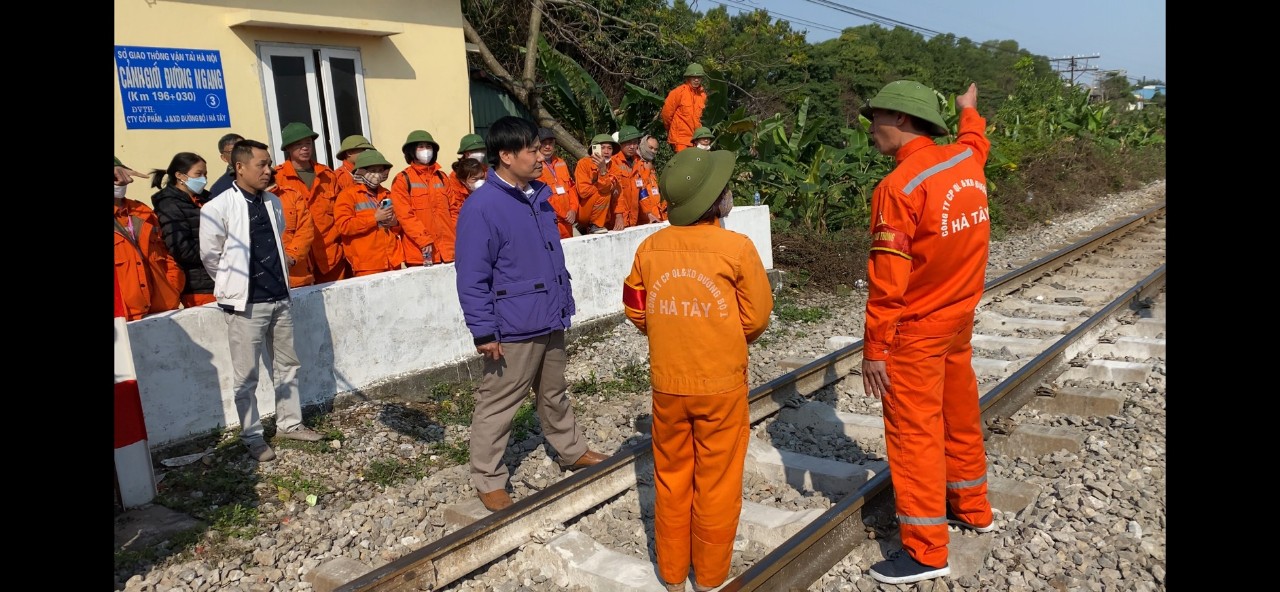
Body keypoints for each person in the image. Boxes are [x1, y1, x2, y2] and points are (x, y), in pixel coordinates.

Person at [858, 81, 994, 585]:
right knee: (958, 412)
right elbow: (976, 139)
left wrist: (875, 349)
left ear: (905, 122)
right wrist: (969, 110)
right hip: (959, 318)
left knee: (914, 435)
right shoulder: (964, 161)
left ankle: (925, 550)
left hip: (917, 330)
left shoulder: (899, 189)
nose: (872, 128)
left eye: (878, 119)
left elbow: (887, 281)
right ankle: (973, 507)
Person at [622, 148, 773, 592]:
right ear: (717, 200)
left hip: (667, 387)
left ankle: (670, 574)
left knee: (671, 478)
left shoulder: (649, 248)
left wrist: (669, 328)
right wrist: (723, 333)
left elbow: (635, 307)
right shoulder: (736, 249)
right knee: (717, 481)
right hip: (720, 385)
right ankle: (708, 578)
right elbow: (757, 317)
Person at [454, 116, 609, 512]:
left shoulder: (537, 195)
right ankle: (488, 478)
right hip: (513, 322)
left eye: (540, 148)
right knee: (500, 402)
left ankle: (571, 450)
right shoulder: (483, 206)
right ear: (505, 156)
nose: (541, 156)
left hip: (549, 312)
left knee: (554, 391)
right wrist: (484, 331)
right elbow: (472, 275)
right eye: (531, 150)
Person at [199, 139, 325, 463]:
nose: (268, 170)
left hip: (279, 297)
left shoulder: (273, 203)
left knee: (288, 364)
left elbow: (280, 239)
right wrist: (232, 285)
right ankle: (252, 435)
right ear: (239, 167)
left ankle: (290, 423)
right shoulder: (218, 207)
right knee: (246, 375)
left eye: (269, 164)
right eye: (261, 165)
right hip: (246, 305)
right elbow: (210, 255)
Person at [116, 160, 185, 321]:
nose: (120, 182)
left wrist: (172, 286)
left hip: (162, 308)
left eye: (122, 176)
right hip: (124, 316)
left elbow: (164, 252)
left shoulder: (142, 212)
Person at [274, 122, 338, 287]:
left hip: (330, 257)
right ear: (288, 148)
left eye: (308, 143)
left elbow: (340, 213)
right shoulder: (277, 178)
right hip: (298, 261)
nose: (305, 148)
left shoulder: (327, 175)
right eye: (298, 144)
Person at [150, 152, 217, 307]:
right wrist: (218, 253)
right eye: (199, 174)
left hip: (220, 278)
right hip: (199, 285)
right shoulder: (169, 204)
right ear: (180, 176)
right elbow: (181, 249)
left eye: (205, 174)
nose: (204, 179)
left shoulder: (207, 199)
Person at [334, 150, 406, 277]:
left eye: (380, 170)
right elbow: (344, 226)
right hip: (367, 265)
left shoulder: (387, 194)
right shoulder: (347, 195)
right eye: (373, 170)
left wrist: (395, 223)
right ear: (361, 171)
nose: (377, 174)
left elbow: (399, 226)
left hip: (393, 262)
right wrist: (374, 218)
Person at [391, 130, 458, 266]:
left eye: (429, 147)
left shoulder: (442, 177)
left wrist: (455, 236)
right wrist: (424, 239)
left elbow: (454, 209)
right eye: (421, 146)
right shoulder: (403, 179)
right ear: (411, 151)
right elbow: (404, 215)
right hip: (419, 253)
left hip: (449, 252)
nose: (426, 150)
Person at [535, 127, 579, 239]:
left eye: (550, 143)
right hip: (551, 220)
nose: (548, 146)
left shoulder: (561, 162)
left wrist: (573, 210)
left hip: (567, 220)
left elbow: (571, 188)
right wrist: (564, 213)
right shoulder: (535, 165)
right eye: (544, 143)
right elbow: (543, 195)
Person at [573, 133, 620, 235]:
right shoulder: (583, 164)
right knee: (605, 193)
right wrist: (602, 185)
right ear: (595, 150)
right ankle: (594, 225)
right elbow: (583, 192)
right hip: (584, 210)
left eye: (609, 148)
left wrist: (603, 171)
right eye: (602, 148)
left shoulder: (615, 167)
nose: (606, 152)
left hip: (607, 216)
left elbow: (617, 191)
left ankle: (595, 225)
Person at [661, 63, 708, 153]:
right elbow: (666, 114)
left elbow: (701, 119)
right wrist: (672, 130)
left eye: (699, 77)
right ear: (688, 78)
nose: (696, 80)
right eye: (693, 77)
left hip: (696, 140)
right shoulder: (678, 92)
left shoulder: (702, 96)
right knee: (683, 165)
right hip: (680, 139)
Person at [608, 125, 646, 231]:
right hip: (616, 221)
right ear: (620, 144)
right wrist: (618, 216)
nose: (632, 146)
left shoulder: (638, 162)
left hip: (633, 220)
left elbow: (643, 190)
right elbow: (616, 193)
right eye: (628, 143)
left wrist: (649, 213)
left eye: (635, 142)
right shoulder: (613, 162)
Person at [637, 134, 666, 224]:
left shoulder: (651, 166)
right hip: (644, 218)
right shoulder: (636, 165)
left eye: (655, 149)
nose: (653, 151)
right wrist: (646, 170)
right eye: (650, 147)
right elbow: (640, 190)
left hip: (656, 216)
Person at [207, 133, 245, 198]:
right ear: (224, 157)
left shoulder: (264, 174)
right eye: (233, 151)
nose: (240, 153)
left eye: (243, 149)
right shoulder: (220, 188)